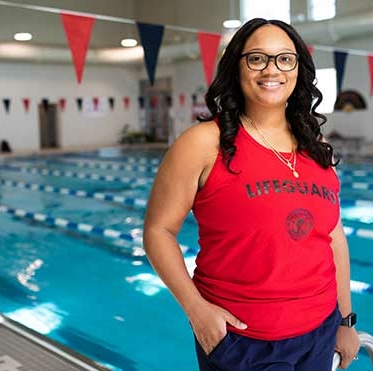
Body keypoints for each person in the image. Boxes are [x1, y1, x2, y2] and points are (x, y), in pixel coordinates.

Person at [143, 18, 360, 371]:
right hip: (242, 341)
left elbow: (332, 235)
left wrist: (345, 320)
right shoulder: (202, 143)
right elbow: (157, 231)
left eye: (284, 59)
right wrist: (197, 311)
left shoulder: (316, 146)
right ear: (237, 66)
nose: (271, 69)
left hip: (320, 332)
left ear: (299, 70)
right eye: (256, 58)